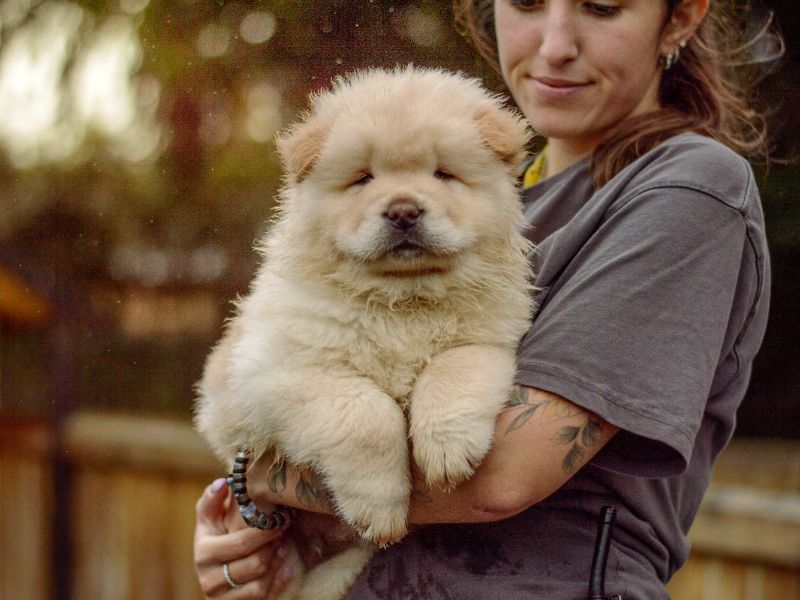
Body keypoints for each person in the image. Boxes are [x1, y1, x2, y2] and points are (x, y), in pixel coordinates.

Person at [194, 0, 779, 597]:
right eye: (526, 2)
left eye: (601, 7)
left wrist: (261, 479)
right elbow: (241, 380)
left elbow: (501, 479)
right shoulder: (506, 202)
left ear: (679, 18)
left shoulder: (689, 188)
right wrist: (254, 525)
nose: (555, 45)